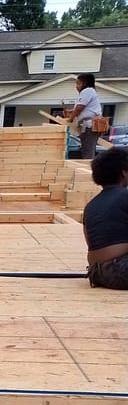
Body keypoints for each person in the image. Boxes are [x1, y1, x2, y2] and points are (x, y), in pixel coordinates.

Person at [83, 146, 128, 290]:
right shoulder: (125, 197)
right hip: (121, 270)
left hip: (96, 273)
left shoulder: (91, 205)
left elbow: (90, 241)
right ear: (124, 173)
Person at [69, 73, 102, 161]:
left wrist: (70, 118)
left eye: (79, 83)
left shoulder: (87, 91)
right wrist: (71, 112)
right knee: (87, 150)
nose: (77, 86)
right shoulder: (89, 92)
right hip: (87, 126)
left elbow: (80, 108)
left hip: (89, 126)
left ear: (85, 83)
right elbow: (81, 108)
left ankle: (88, 172)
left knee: (88, 153)